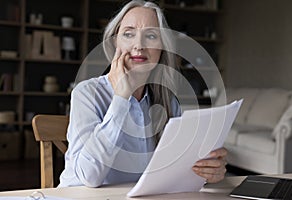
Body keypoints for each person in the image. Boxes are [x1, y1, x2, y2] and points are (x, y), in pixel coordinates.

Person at [59, 0, 227, 188]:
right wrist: (121, 98)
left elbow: (174, 172)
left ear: (162, 47)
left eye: (151, 36)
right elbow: (89, 177)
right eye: (129, 34)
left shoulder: (168, 102)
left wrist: (205, 172)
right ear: (116, 42)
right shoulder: (86, 93)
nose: (139, 45)